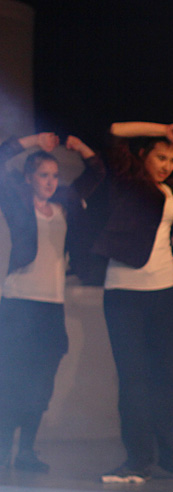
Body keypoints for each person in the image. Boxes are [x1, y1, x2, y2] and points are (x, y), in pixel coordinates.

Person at [95, 118, 173, 484]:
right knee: (133, 378)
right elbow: (114, 131)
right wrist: (163, 128)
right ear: (144, 155)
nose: (167, 165)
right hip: (124, 291)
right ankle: (137, 458)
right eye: (160, 157)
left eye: (172, 160)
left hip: (165, 288)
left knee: (168, 376)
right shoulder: (127, 178)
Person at [0, 132, 105, 472]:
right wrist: (36, 141)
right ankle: (3, 448)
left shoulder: (65, 205)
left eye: (55, 176)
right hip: (18, 302)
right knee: (12, 379)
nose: (50, 181)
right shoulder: (17, 202)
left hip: (50, 305)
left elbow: (97, 172)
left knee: (41, 384)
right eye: (43, 175)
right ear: (29, 177)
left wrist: (79, 146)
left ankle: (26, 452)